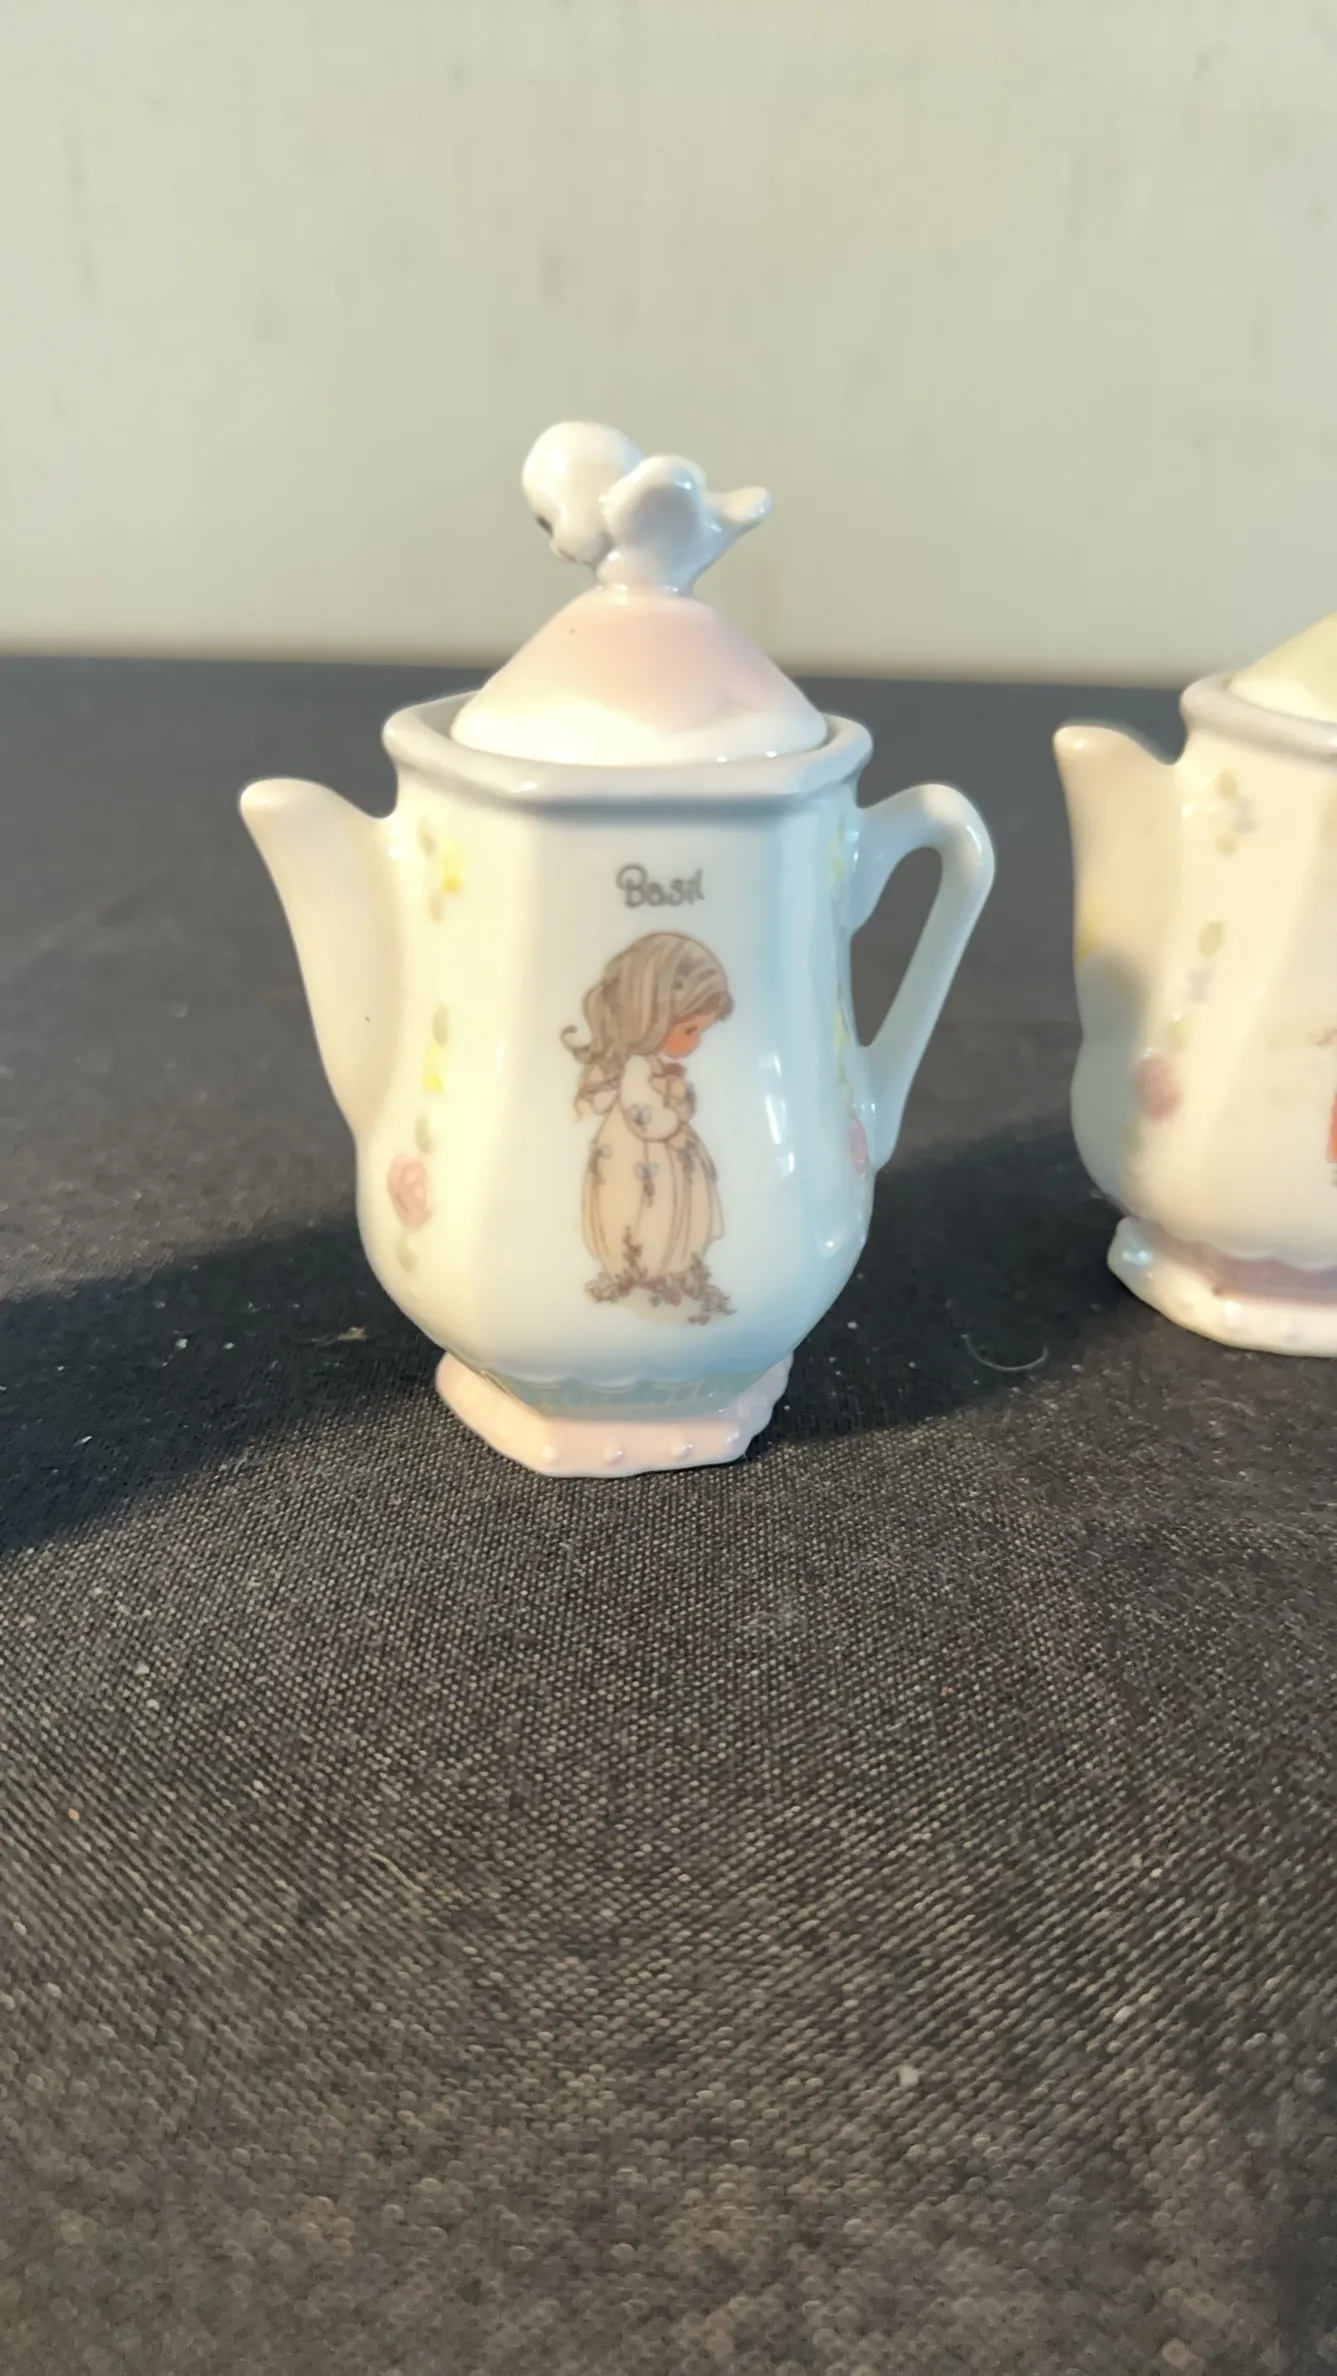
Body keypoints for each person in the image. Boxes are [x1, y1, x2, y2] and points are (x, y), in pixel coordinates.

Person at [562, 932, 734, 1321]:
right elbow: (649, 1121)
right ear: (652, 1018)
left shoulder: (645, 1065)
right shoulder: (637, 1070)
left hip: (651, 1156)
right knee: (651, 1210)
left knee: (657, 1212)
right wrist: (679, 1102)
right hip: (645, 1160)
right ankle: (647, 1272)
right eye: (689, 1030)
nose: (695, 1043)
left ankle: (657, 1273)